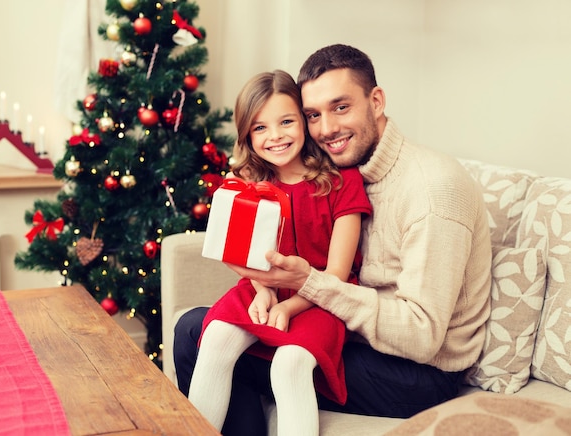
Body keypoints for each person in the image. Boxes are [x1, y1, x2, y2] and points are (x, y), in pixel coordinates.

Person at [174, 44, 492, 435]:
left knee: (195, 333)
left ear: (376, 100)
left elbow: (421, 338)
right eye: (313, 115)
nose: (326, 130)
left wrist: (305, 289)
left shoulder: (432, 191)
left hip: (416, 372)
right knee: (204, 327)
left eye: (341, 107)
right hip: (353, 332)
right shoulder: (347, 166)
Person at [187, 69, 372, 436]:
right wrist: (263, 290)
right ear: (247, 134)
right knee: (215, 340)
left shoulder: (342, 181)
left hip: (321, 299)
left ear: (304, 122)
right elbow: (236, 254)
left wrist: (288, 306)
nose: (275, 136)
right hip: (265, 289)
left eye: (286, 121)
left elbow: (336, 274)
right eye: (260, 128)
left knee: (289, 364)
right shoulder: (247, 186)